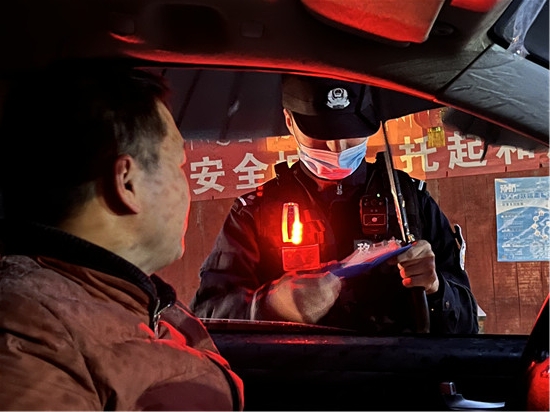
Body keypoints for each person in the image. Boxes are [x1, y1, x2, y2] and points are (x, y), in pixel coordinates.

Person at [0, 61, 244, 410]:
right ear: (126, 182)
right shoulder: (29, 336)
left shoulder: (141, 300)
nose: (186, 186)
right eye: (178, 164)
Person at [190, 74, 479, 335]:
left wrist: (436, 289)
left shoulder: (409, 201)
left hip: (397, 371)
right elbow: (206, 316)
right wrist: (269, 307)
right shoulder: (254, 212)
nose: (336, 148)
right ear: (290, 121)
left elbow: (467, 325)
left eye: (349, 131)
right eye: (321, 135)